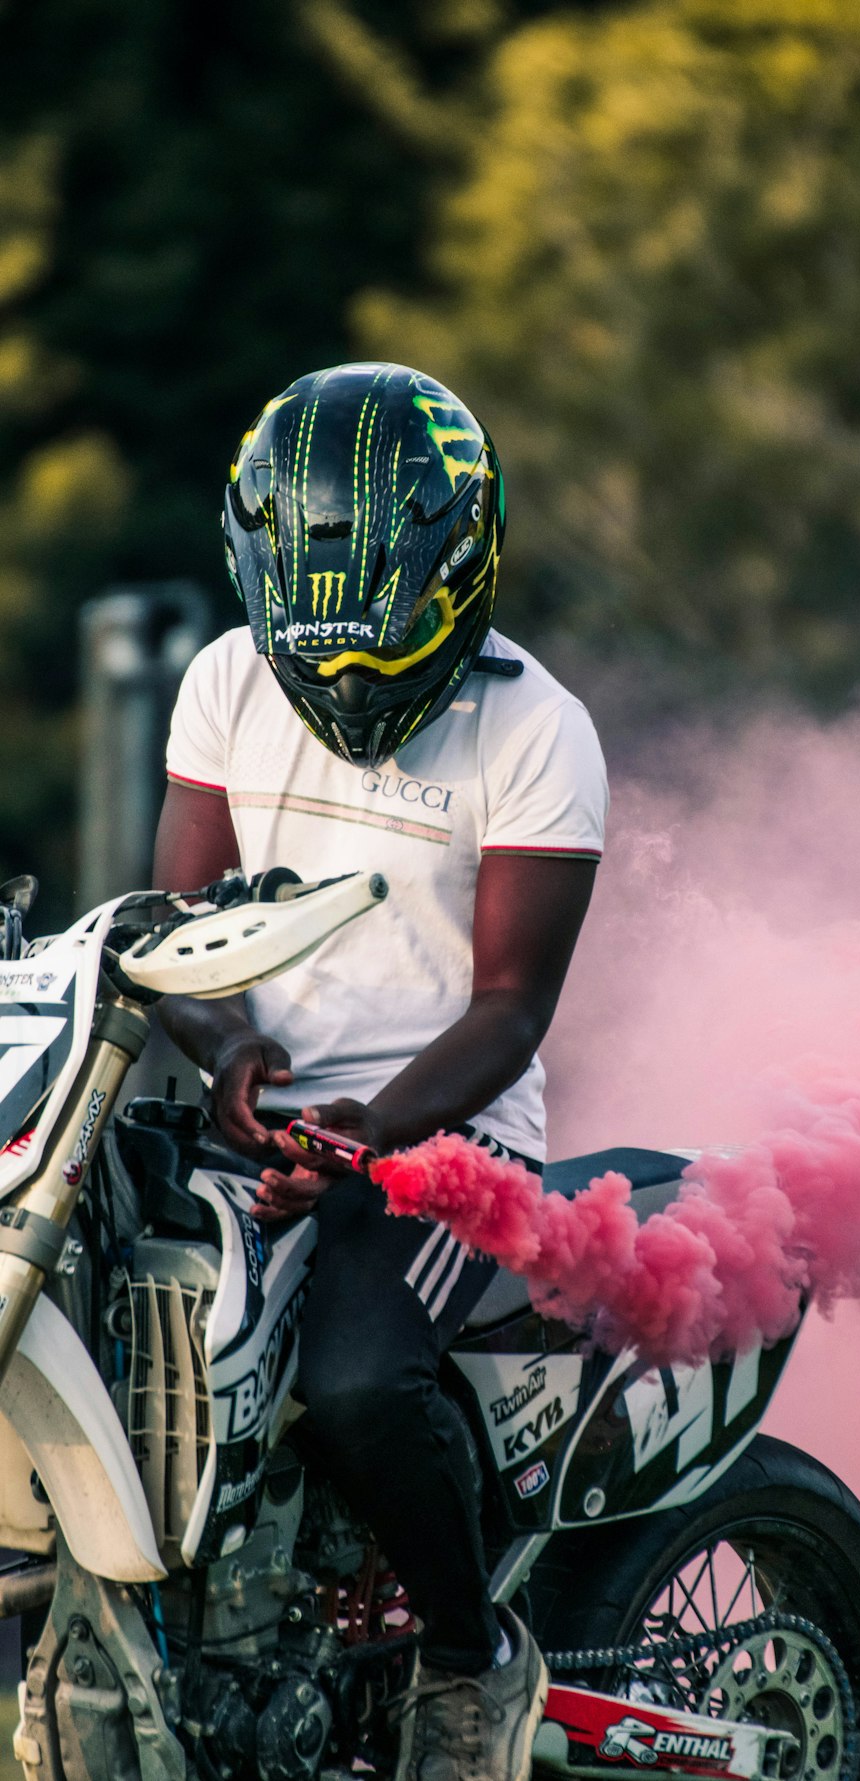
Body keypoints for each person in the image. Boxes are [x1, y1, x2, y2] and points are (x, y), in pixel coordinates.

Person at [152, 361, 608, 1781]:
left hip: (444, 1147)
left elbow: (511, 1008)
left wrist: (364, 1133)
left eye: (381, 643)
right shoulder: (228, 677)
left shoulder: (539, 728)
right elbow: (179, 927)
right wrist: (228, 1052)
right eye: (319, 646)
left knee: (354, 1384)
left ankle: (476, 1660)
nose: (345, 680)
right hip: (253, 1122)